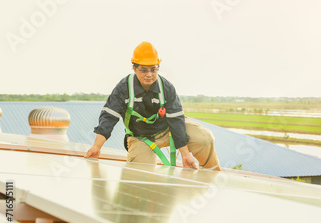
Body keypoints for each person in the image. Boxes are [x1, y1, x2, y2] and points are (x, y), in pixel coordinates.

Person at [85, 41, 220, 171]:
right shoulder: (123, 88)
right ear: (134, 68)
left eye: (153, 69)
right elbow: (109, 116)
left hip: (168, 130)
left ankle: (212, 175)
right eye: (143, 70)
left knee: (205, 138)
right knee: (140, 176)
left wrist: (185, 154)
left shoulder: (166, 88)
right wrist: (97, 147)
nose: (149, 74)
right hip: (140, 136)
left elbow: (176, 120)